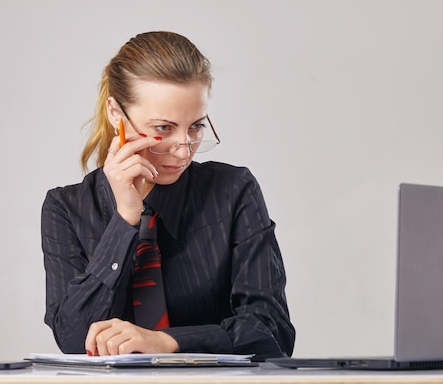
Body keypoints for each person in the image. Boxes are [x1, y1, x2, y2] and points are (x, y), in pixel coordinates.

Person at [41, 31, 295, 360]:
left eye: (195, 126)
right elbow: (74, 339)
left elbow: (273, 332)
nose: (183, 148)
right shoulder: (66, 208)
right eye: (163, 128)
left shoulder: (233, 191)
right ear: (116, 114)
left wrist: (166, 342)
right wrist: (125, 221)